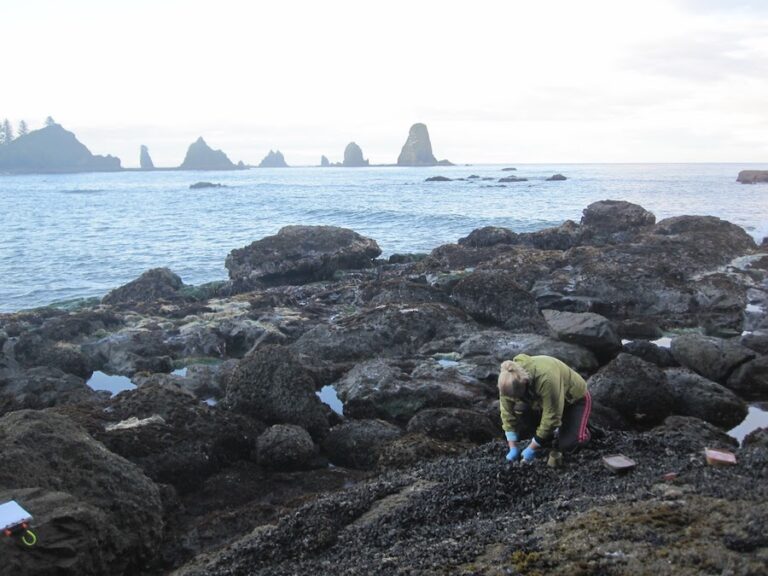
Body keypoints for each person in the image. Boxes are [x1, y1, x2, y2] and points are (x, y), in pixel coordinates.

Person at [498, 354, 591, 463]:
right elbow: (507, 414)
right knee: (520, 409)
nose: (513, 399)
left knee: (569, 445)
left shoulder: (546, 379)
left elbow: (552, 417)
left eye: (516, 397)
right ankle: (550, 433)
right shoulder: (507, 380)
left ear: (525, 383)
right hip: (545, 402)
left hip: (574, 399)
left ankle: (583, 429)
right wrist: (512, 447)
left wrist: (532, 447)